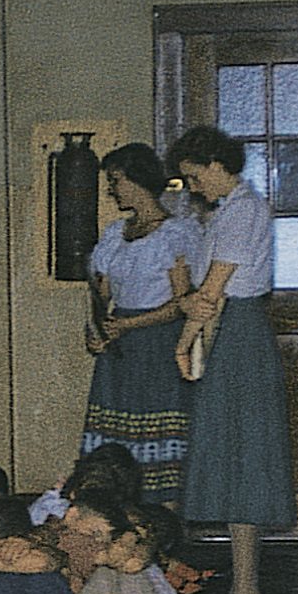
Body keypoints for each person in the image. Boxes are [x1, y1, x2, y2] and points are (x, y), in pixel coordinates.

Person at [169, 126, 295, 594]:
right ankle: (245, 592)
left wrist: (183, 342)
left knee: (244, 463)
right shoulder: (224, 213)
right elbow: (196, 293)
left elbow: (211, 293)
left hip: (238, 335)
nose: (192, 187)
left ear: (215, 164)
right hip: (226, 332)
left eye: (193, 176)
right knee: (235, 465)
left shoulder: (245, 210)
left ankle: (246, 593)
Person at [81, 142, 201, 506]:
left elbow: (182, 304)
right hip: (120, 351)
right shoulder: (115, 234)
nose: (111, 189)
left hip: (157, 346)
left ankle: (164, 533)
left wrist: (132, 326)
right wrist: (96, 332)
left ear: (138, 181)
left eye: (116, 180)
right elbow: (100, 295)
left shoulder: (174, 235)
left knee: (158, 439)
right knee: (116, 442)